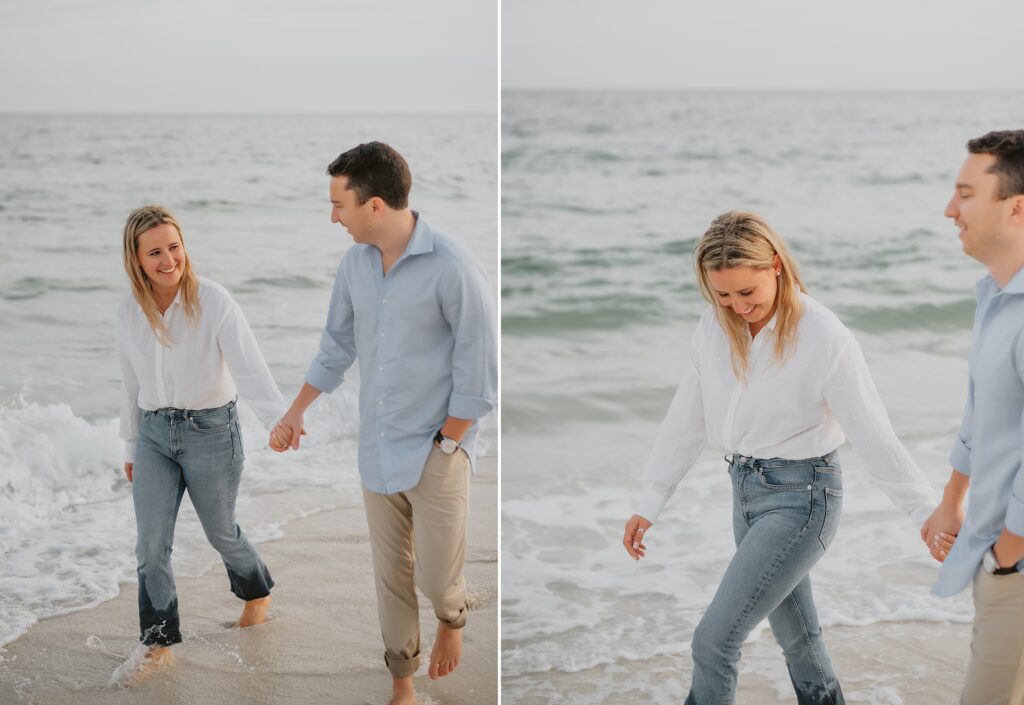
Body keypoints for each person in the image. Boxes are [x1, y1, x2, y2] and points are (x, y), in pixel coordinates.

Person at [622, 211, 937, 705]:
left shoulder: (824, 335)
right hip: (744, 492)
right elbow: (686, 418)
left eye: (746, 293)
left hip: (803, 499)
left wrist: (924, 511)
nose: (736, 306)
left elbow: (873, 433)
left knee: (714, 641)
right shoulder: (713, 327)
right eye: (722, 294)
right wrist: (650, 499)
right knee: (799, 643)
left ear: (774, 265)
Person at [269, 142, 497, 705]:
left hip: (436, 451)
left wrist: (447, 443)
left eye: (338, 205)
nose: (332, 217)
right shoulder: (354, 265)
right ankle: (402, 684)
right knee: (390, 578)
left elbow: (480, 374)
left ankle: (452, 616)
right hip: (375, 450)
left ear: (373, 205)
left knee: (436, 579)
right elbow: (335, 348)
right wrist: (295, 412)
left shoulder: (454, 267)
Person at [116, 205, 286, 681]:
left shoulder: (214, 300)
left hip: (212, 432)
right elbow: (129, 386)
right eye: (155, 252)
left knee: (220, 531)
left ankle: (256, 592)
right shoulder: (129, 312)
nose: (168, 259)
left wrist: (279, 420)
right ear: (136, 258)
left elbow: (249, 368)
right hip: (153, 436)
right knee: (150, 546)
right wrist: (130, 447)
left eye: (174, 246)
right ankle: (158, 642)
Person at [920, 130, 1024, 705]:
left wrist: (1010, 552)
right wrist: (952, 495)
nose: (949, 209)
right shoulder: (995, 296)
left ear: (1016, 207)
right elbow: (982, 411)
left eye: (965, 194)